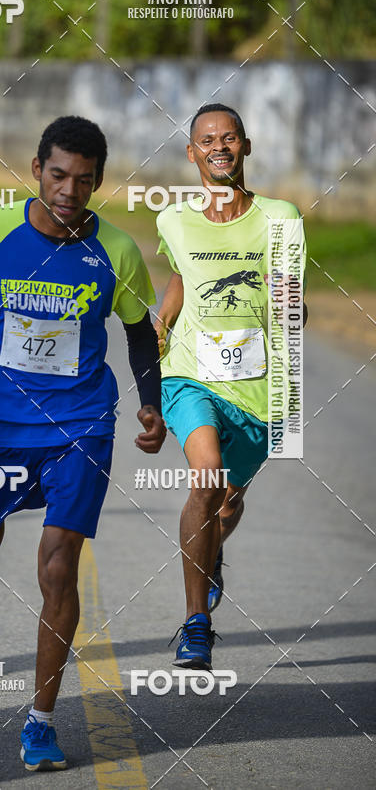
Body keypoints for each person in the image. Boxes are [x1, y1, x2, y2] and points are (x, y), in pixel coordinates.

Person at [0, 115, 166, 770]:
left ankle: (41, 721)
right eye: (58, 175)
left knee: (59, 565)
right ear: (37, 169)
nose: (68, 191)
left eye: (83, 180)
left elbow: (139, 332)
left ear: (98, 182)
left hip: (81, 424)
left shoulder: (116, 250)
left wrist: (150, 400)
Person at [154, 103, 307, 670]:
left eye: (229, 137)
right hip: (190, 375)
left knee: (228, 500)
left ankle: (212, 551)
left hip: (260, 388)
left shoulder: (281, 217)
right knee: (207, 477)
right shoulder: (173, 219)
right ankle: (197, 624)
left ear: (246, 145)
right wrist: (160, 323)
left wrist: (287, 299)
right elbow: (182, 275)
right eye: (207, 139)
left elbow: (296, 313)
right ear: (192, 152)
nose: (219, 146)